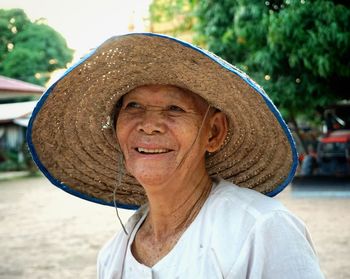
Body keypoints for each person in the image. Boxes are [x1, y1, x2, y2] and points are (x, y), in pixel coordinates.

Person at [27, 33, 324, 278]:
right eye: (133, 107)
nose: (150, 125)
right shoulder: (113, 257)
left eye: (174, 109)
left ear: (214, 133)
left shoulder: (261, 230)